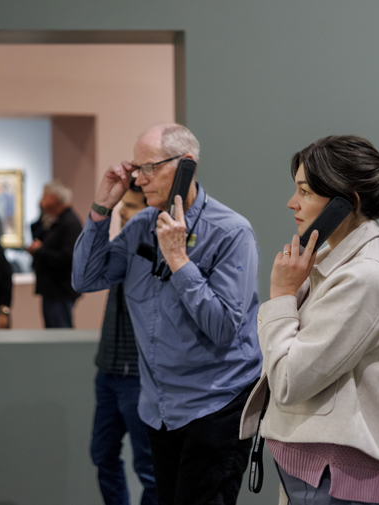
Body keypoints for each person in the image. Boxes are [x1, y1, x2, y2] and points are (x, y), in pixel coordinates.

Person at [72, 124, 262, 505]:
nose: (139, 180)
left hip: (214, 408)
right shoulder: (142, 225)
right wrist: (101, 208)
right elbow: (86, 277)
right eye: (136, 169)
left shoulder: (231, 233)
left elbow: (224, 327)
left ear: (186, 166)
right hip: (161, 410)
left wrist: (178, 259)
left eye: (149, 168)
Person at [239, 135, 379, 505]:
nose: (291, 203)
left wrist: (280, 296)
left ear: (346, 203)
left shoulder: (365, 276)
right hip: (315, 471)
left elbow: (291, 379)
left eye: (305, 191)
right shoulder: (335, 261)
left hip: (335, 478)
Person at [90, 183, 157, 505]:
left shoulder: (157, 251)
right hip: (108, 372)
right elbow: (86, 272)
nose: (122, 212)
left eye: (130, 205)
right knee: (101, 455)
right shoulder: (122, 246)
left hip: (139, 378)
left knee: (148, 467)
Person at [27, 180, 83, 328]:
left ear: (54, 198)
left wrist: (40, 251)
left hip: (60, 290)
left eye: (45, 196)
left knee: (60, 335)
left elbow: (68, 258)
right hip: (53, 290)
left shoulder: (69, 223)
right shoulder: (57, 221)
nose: (41, 200)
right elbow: (36, 230)